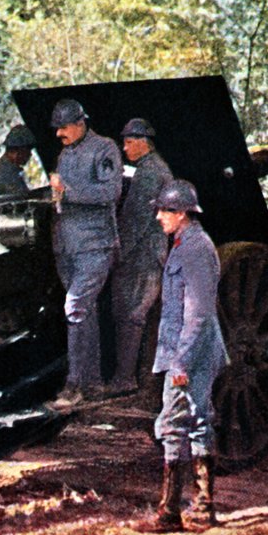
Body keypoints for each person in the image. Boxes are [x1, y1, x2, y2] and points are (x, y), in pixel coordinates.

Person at [136, 180, 229, 533]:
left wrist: (180, 363)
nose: (159, 217)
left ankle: (171, 512)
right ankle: (201, 507)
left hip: (189, 352)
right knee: (196, 420)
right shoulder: (185, 244)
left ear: (181, 213)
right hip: (188, 349)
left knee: (175, 423)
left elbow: (200, 313)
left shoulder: (193, 249)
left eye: (164, 211)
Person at [45, 98, 123, 411]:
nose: (59, 134)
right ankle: (91, 383)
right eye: (57, 128)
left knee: (75, 306)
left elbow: (110, 193)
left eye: (64, 127)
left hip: (95, 244)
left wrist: (68, 193)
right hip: (67, 246)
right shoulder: (65, 155)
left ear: (80, 123)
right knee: (83, 313)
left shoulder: (105, 149)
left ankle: (74, 386)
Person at [107, 118, 174, 395]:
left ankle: (125, 379)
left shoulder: (149, 172)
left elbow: (136, 218)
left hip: (142, 255)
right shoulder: (154, 168)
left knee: (130, 314)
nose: (124, 148)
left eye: (128, 142)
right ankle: (132, 377)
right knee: (134, 315)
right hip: (149, 253)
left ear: (142, 143)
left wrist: (117, 253)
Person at [0, 124, 37, 202]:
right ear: (17, 151)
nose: (30, 154)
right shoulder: (0, 175)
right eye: (27, 150)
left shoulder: (11, 172)